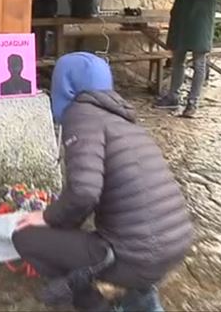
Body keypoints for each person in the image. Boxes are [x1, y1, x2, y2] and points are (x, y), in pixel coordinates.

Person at [13, 52, 193, 312]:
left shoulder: (80, 114)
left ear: (65, 85)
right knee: (111, 250)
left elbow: (85, 192)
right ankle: (140, 301)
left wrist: (47, 217)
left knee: (25, 237)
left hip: (137, 255)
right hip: (174, 245)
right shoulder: (123, 119)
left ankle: (95, 303)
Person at [154, 0, 221, 118]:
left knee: (199, 63)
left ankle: (192, 103)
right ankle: (173, 96)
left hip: (201, 18)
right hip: (182, 16)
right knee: (177, 60)